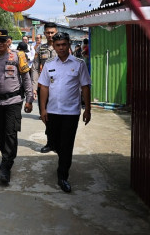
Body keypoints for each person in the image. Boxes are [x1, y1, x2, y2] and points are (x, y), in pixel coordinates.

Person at [38, 32, 91, 193]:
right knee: (54, 142)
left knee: (67, 145)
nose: (61, 48)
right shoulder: (49, 64)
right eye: (58, 45)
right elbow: (44, 87)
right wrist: (43, 109)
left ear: (69, 45)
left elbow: (85, 87)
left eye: (64, 44)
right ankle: (62, 158)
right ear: (54, 46)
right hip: (52, 111)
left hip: (71, 113)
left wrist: (88, 109)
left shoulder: (79, 64)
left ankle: (63, 176)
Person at [0, 29, 33, 184]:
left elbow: (26, 78)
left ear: (8, 42)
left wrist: (29, 98)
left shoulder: (18, 56)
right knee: (1, 132)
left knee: (10, 133)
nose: (0, 44)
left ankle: (6, 165)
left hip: (14, 101)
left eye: (3, 41)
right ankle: (5, 157)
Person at [31, 22, 58, 153]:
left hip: (59, 88)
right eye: (48, 32)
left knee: (58, 116)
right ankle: (50, 142)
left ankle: (57, 141)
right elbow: (35, 69)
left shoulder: (62, 47)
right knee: (45, 115)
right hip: (44, 88)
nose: (50, 35)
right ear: (44, 33)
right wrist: (34, 87)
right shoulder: (40, 49)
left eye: (52, 32)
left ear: (56, 32)